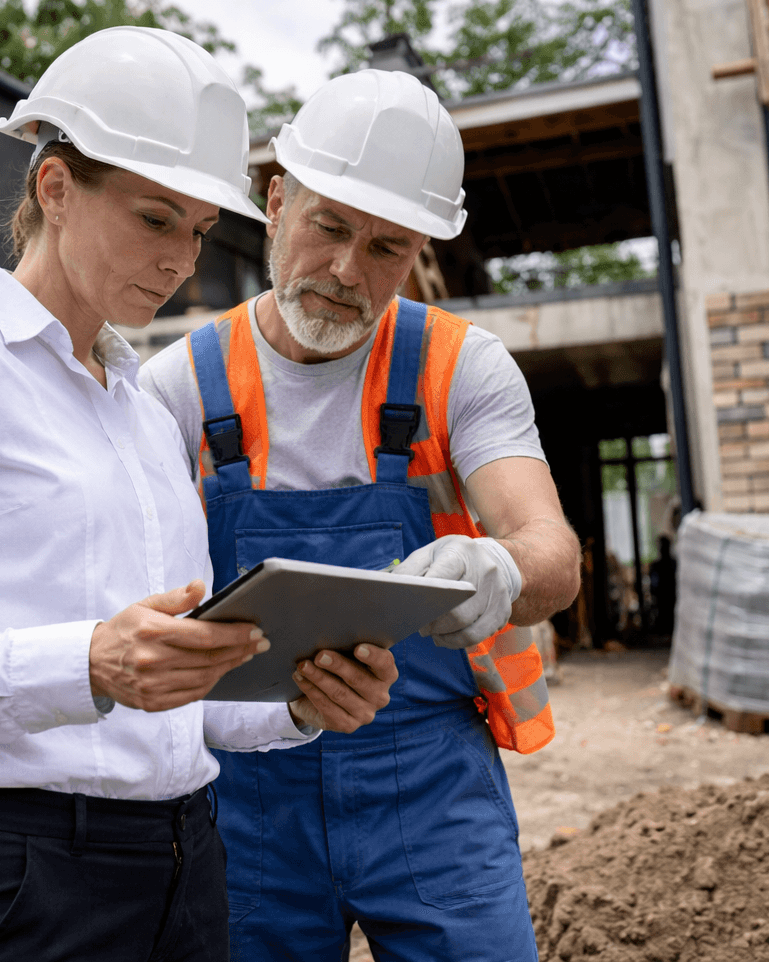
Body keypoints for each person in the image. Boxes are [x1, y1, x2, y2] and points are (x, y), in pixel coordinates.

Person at [0, 28, 399, 962]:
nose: (182, 261)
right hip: (11, 882)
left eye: (201, 231)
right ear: (54, 188)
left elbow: (174, 697)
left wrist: (298, 701)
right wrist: (86, 661)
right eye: (155, 219)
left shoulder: (145, 414)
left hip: (184, 870)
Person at [141, 69, 582, 962]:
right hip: (247, 787)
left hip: (429, 784)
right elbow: (139, 601)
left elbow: (553, 555)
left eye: (385, 247)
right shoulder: (178, 387)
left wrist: (500, 571)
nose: (347, 271)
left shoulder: (461, 367)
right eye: (328, 227)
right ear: (275, 202)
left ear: (419, 247)